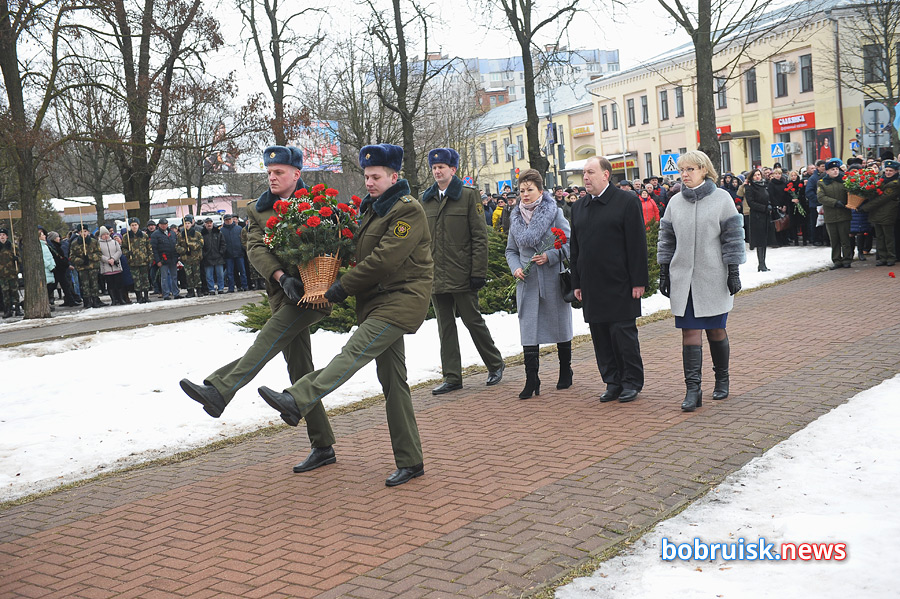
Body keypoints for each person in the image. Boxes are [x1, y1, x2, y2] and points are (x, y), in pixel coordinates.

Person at [256, 143, 433, 487]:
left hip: (400, 302)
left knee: (352, 353)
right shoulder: (374, 209)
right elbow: (357, 251)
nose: (369, 182)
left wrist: (341, 287)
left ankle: (298, 397)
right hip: (377, 302)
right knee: (394, 384)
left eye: (376, 176)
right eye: (366, 176)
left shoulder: (406, 210)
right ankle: (411, 461)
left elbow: (384, 259)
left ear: (394, 176)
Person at [179, 145, 338, 475]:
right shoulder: (257, 210)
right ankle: (322, 445)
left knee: (266, 340)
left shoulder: (319, 205)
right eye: (269, 172)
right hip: (283, 295)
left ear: (297, 174)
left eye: (279, 172)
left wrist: (306, 277)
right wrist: (281, 277)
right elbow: (254, 248)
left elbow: (333, 243)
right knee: (300, 370)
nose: (272, 177)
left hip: (315, 292)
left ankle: (221, 389)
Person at [657, 150, 746, 412]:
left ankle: (722, 379)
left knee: (716, 330)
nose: (684, 175)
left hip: (713, 276)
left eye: (690, 169)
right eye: (681, 170)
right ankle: (693, 390)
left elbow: (732, 237)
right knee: (689, 332)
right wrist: (664, 270)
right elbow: (667, 238)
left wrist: (733, 271)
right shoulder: (674, 202)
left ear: (704, 170)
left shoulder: (722, 199)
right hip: (684, 278)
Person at [420, 147, 505, 395]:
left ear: (453, 170)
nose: (437, 172)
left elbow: (480, 237)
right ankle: (452, 377)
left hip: (462, 273)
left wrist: (478, 272)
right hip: (436, 274)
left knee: (473, 320)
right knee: (444, 327)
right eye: (434, 168)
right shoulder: (426, 199)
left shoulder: (468, 196)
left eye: (442, 167)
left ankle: (495, 364)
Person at [571, 156, 649, 403]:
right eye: (584, 173)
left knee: (622, 335)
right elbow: (575, 249)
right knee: (600, 336)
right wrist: (577, 283)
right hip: (592, 285)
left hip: (620, 283)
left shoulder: (626, 202)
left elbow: (637, 244)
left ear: (606, 175)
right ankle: (612, 381)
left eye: (591, 172)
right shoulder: (579, 207)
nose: (585, 177)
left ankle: (631, 382)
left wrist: (639, 280)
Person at [505, 169, 573, 398]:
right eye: (521, 190)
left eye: (529, 190)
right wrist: (515, 268)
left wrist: (550, 256)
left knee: (560, 326)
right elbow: (511, 250)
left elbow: (569, 244)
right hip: (527, 281)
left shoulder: (554, 213)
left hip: (552, 278)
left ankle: (566, 370)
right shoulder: (514, 217)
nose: (524, 194)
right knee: (528, 329)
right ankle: (531, 379)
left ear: (540, 191)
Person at [859, 159, 900, 266]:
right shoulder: (881, 180)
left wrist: (865, 207)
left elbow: (882, 198)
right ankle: (882, 257)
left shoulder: (895, 184)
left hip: (888, 213)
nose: (888, 172)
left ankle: (891, 257)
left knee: (888, 237)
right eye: (886, 170)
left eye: (891, 171)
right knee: (880, 237)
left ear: (896, 172)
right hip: (877, 213)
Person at [818, 158, 853, 269]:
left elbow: (852, 193)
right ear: (827, 171)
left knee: (845, 239)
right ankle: (836, 260)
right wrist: (835, 202)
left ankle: (847, 259)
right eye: (832, 169)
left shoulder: (844, 180)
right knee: (834, 240)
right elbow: (821, 197)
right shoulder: (822, 183)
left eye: (837, 169)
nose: (835, 171)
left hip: (844, 214)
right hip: (831, 215)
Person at [68, 224, 105, 308]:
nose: (84, 233)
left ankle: (95, 300)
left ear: (88, 232)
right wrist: (81, 260)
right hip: (82, 268)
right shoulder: (75, 243)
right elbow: (72, 256)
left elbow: (99, 254)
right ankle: (87, 301)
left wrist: (89, 257)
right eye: (81, 232)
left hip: (93, 267)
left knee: (94, 284)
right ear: (79, 233)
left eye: (85, 231)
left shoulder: (94, 241)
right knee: (85, 285)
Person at [744, 169, 774, 272]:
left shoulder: (763, 185)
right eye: (755, 175)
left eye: (759, 175)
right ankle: (761, 264)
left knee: (764, 240)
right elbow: (751, 203)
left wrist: (769, 205)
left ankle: (763, 263)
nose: (758, 177)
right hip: (757, 216)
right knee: (760, 241)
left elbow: (767, 197)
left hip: (765, 215)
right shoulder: (750, 188)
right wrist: (764, 208)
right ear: (752, 177)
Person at [122, 217, 152, 303]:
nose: (134, 227)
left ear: (138, 225)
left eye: (135, 225)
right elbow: (123, 248)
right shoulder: (126, 237)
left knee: (145, 280)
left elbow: (149, 248)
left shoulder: (144, 235)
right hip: (133, 262)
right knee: (136, 280)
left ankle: (146, 296)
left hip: (144, 261)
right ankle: (139, 297)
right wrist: (128, 253)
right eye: (132, 225)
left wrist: (149, 259)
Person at [175, 215, 204, 297]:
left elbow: (201, 244)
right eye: (185, 223)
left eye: (188, 223)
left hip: (195, 257)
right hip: (186, 258)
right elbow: (177, 246)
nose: (187, 225)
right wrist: (183, 250)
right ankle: (190, 290)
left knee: (197, 274)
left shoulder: (197, 234)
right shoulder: (181, 235)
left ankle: (199, 290)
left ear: (191, 224)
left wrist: (191, 245)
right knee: (188, 275)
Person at [151, 217, 179, 299]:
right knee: (164, 277)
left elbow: (176, 245)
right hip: (163, 259)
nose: (164, 226)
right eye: (162, 224)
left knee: (174, 276)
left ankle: (176, 293)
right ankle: (166, 293)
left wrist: (177, 257)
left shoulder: (172, 233)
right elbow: (154, 249)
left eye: (165, 224)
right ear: (159, 225)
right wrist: (157, 260)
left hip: (173, 258)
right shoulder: (155, 235)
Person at [98, 226, 125, 305]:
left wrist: (113, 259)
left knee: (119, 284)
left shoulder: (114, 242)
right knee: (110, 285)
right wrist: (107, 260)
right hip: (106, 268)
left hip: (116, 266)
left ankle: (121, 299)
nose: (105, 236)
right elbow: (99, 254)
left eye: (107, 234)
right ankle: (113, 299)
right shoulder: (98, 244)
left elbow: (119, 251)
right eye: (103, 234)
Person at [221, 214, 247, 292]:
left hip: (239, 253)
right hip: (228, 255)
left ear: (232, 220)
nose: (228, 221)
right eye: (226, 220)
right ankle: (231, 288)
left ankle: (245, 286)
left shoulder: (239, 229)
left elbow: (243, 240)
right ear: (224, 221)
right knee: (230, 273)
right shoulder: (222, 231)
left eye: (229, 219)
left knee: (242, 271)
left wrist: (242, 249)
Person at [200, 217, 226, 294]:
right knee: (209, 276)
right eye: (207, 223)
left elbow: (223, 243)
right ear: (205, 224)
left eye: (210, 223)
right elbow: (200, 246)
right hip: (207, 258)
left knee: (220, 275)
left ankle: (221, 288)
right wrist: (204, 254)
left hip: (218, 257)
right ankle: (211, 289)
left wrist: (221, 252)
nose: (209, 224)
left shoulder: (218, 232)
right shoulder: (202, 234)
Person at [0, 228, 21, 317]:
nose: (2, 237)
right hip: (2, 275)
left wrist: (17, 259)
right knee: (5, 293)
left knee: (14, 292)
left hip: (12, 273)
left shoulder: (13, 247)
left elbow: (20, 259)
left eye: (3, 235)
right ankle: (7, 310)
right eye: (0, 235)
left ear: (7, 236)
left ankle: (17, 309)